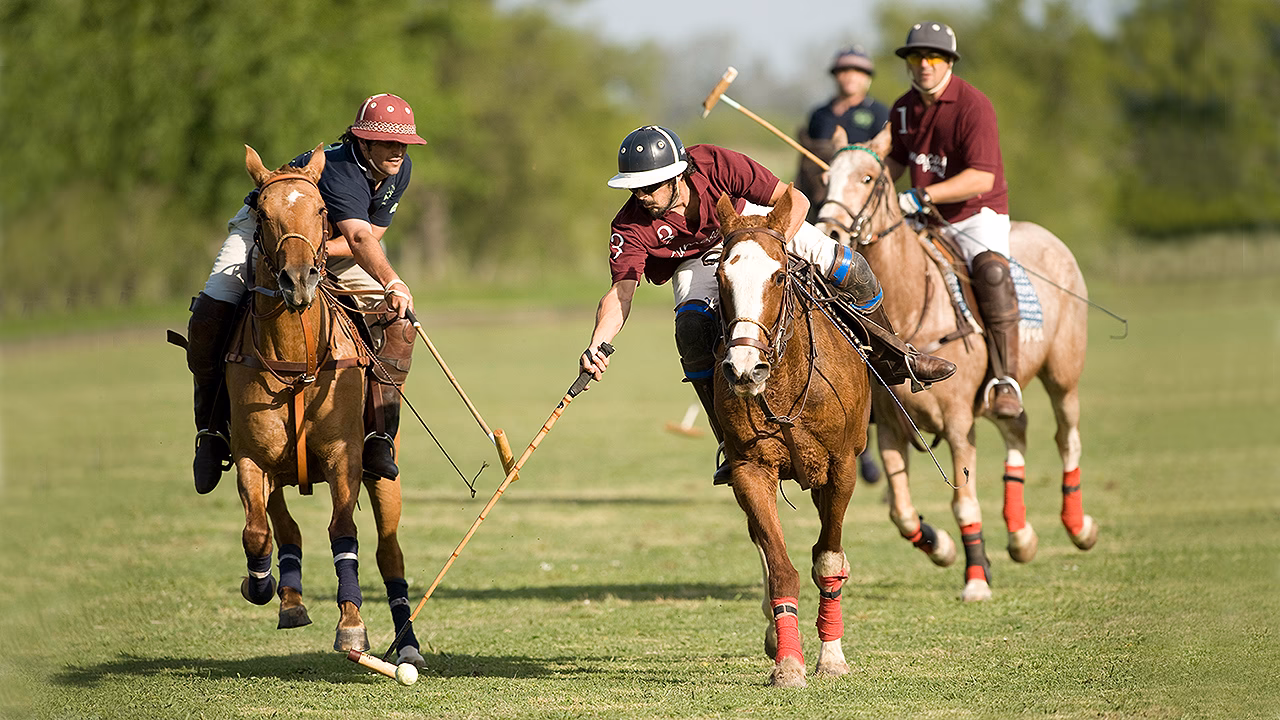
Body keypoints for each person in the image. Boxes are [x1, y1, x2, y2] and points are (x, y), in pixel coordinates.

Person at [581, 126, 957, 485]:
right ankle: (729, 441)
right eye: (634, 188)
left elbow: (795, 200)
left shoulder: (716, 164)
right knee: (691, 328)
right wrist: (599, 343)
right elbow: (621, 293)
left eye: (649, 187)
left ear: (678, 175)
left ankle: (893, 355)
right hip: (697, 261)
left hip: (762, 227)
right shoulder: (630, 225)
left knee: (852, 268)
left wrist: (775, 245)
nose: (641, 196)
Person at [186, 93, 424, 495]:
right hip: (266, 229)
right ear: (362, 142)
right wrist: (392, 279)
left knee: (398, 322)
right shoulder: (342, 170)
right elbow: (361, 235)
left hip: (322, 244)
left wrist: (308, 255)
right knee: (212, 308)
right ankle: (211, 431)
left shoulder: (400, 169)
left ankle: (379, 437)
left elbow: (371, 234)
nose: (397, 150)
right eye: (386, 142)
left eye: (403, 142)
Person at [886, 22, 1023, 419]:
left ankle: (1005, 380)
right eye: (916, 57)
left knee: (992, 274)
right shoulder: (903, 108)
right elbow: (895, 160)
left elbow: (983, 176)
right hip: (924, 219)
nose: (924, 65)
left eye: (934, 57)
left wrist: (924, 194)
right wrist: (862, 180)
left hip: (976, 214)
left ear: (948, 62)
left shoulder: (973, 105)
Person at [797, 46, 890, 224]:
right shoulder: (819, 114)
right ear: (835, 75)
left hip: (859, 199)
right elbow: (806, 159)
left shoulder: (878, 113)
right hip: (819, 195)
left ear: (867, 77)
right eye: (844, 71)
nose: (850, 76)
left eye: (858, 71)